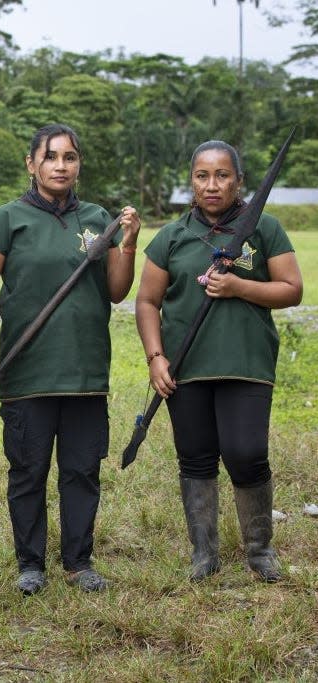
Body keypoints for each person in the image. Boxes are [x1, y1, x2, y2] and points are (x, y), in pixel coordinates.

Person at [0, 123, 141, 595]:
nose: (60, 166)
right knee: (29, 470)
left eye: (69, 157)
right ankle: (30, 564)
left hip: (85, 374)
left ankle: (78, 562)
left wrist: (127, 243)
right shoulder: (6, 220)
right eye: (50, 157)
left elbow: (117, 290)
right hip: (28, 373)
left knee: (82, 470)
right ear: (32, 164)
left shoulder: (97, 217)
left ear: (79, 163)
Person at [135, 140, 302, 583]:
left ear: (239, 181)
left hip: (246, 364)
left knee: (246, 454)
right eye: (203, 176)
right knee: (195, 457)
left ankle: (259, 549)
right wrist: (155, 358)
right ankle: (203, 553)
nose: (213, 185)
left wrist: (239, 287)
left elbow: (291, 289)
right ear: (191, 182)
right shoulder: (171, 236)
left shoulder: (263, 228)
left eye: (222, 175)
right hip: (186, 367)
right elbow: (148, 302)